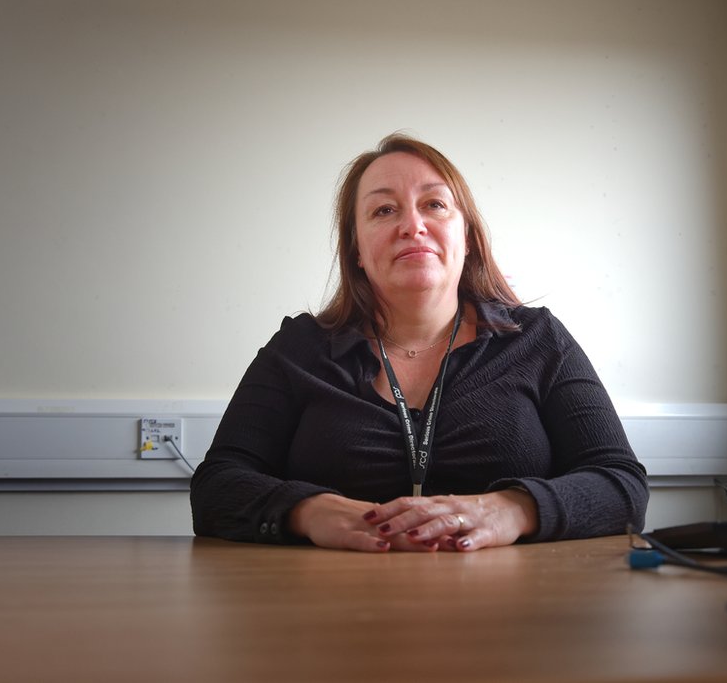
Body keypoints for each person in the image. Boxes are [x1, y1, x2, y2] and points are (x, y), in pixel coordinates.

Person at [190, 133, 648, 552]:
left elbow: (622, 485)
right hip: (332, 616)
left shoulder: (538, 340)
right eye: (384, 210)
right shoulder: (298, 349)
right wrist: (307, 511)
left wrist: (512, 508)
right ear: (356, 249)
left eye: (434, 205)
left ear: (466, 237)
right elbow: (216, 487)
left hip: (510, 619)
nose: (413, 225)